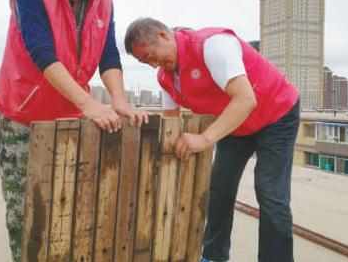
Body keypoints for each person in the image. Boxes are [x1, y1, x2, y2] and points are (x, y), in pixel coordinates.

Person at [0, 0, 148, 261]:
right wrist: (90, 103)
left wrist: (117, 100)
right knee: (25, 209)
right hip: (23, 114)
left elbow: (108, 55)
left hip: (68, 117)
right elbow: (41, 52)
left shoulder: (104, 2)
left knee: (67, 203)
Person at [124, 18, 300, 262]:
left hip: (276, 113)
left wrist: (205, 139)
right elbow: (171, 121)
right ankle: (215, 256)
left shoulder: (212, 45)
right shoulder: (165, 78)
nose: (154, 65)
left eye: (152, 55)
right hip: (237, 123)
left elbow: (246, 99)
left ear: (164, 36)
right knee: (219, 189)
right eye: (146, 62)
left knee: (270, 192)